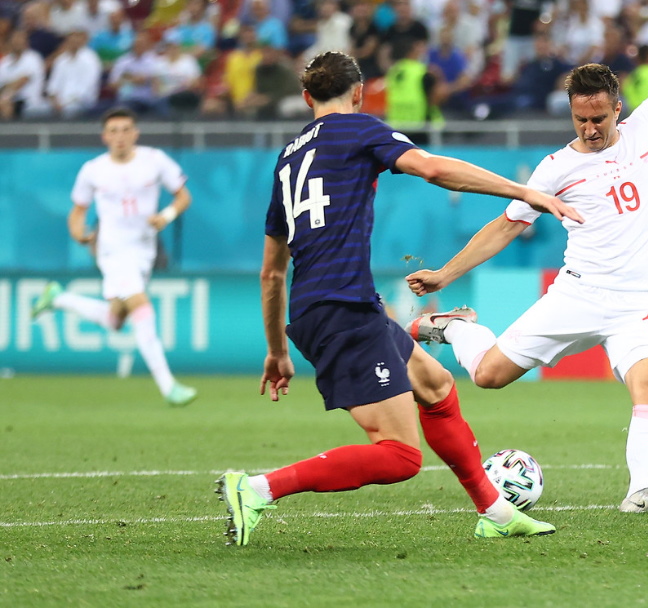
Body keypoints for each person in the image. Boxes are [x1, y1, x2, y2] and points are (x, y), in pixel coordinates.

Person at [405, 0, 648, 515]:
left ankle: (641, 490)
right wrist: (445, 274)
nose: (589, 129)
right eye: (580, 120)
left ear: (618, 107)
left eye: (599, 118)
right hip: (579, 292)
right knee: (489, 375)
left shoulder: (647, 127)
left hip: (638, 299)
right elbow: (505, 227)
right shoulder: (555, 169)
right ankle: (453, 326)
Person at [214, 51, 582, 547]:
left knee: (435, 386)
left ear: (306, 98)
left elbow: (271, 272)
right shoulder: (359, 128)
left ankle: (494, 510)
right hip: (342, 308)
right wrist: (525, 192)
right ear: (360, 93)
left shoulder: (286, 160)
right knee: (400, 456)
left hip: (328, 306)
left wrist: (277, 350)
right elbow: (430, 168)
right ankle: (257, 487)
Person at [31, 109, 197, 404]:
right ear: (104, 136)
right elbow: (78, 212)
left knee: (115, 319)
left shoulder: (155, 160)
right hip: (112, 250)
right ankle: (168, 385)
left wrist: (166, 215)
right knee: (140, 304)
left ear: (135, 133)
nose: (120, 136)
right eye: (114, 131)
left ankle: (58, 298)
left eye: (125, 130)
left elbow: (183, 196)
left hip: (143, 250)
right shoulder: (93, 169)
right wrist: (79, 233)